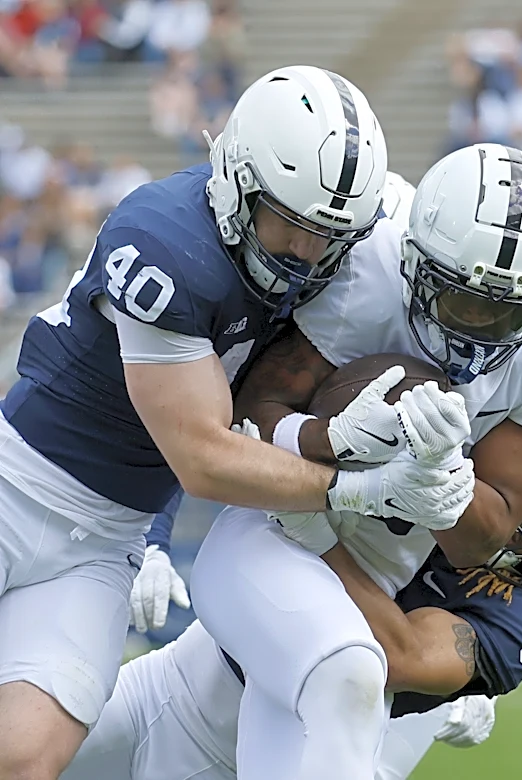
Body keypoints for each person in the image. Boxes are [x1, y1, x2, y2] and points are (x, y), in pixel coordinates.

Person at [0, 65, 478, 780]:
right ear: (236, 179)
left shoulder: (351, 222)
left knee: (25, 760)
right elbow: (202, 456)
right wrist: (359, 489)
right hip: (16, 484)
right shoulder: (166, 243)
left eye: (329, 235)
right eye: (290, 224)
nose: (307, 254)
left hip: (100, 544)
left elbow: (469, 242)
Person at [186, 145, 522, 780]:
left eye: (504, 312)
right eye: (460, 302)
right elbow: (249, 417)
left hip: (322, 589)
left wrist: (443, 476)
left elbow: (486, 535)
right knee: (348, 673)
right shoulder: (369, 266)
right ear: (415, 263)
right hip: (276, 532)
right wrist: (330, 446)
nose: (476, 330)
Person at [63, 409, 522, 780]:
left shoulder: (519, 620)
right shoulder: (423, 453)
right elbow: (204, 419)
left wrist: (320, 534)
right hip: (175, 690)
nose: (515, 527)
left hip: (284, 757)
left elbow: (401, 656)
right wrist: (156, 538)